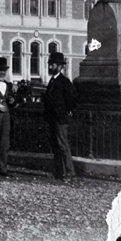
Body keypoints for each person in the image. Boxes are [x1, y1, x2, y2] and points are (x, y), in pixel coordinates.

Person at [43, 52, 78, 182]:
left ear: (59, 66)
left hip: (60, 119)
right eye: (50, 64)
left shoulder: (64, 81)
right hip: (53, 118)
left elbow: (72, 98)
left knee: (63, 146)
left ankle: (70, 173)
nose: (50, 67)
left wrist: (66, 111)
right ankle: (59, 172)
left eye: (52, 65)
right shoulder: (53, 80)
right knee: (56, 146)